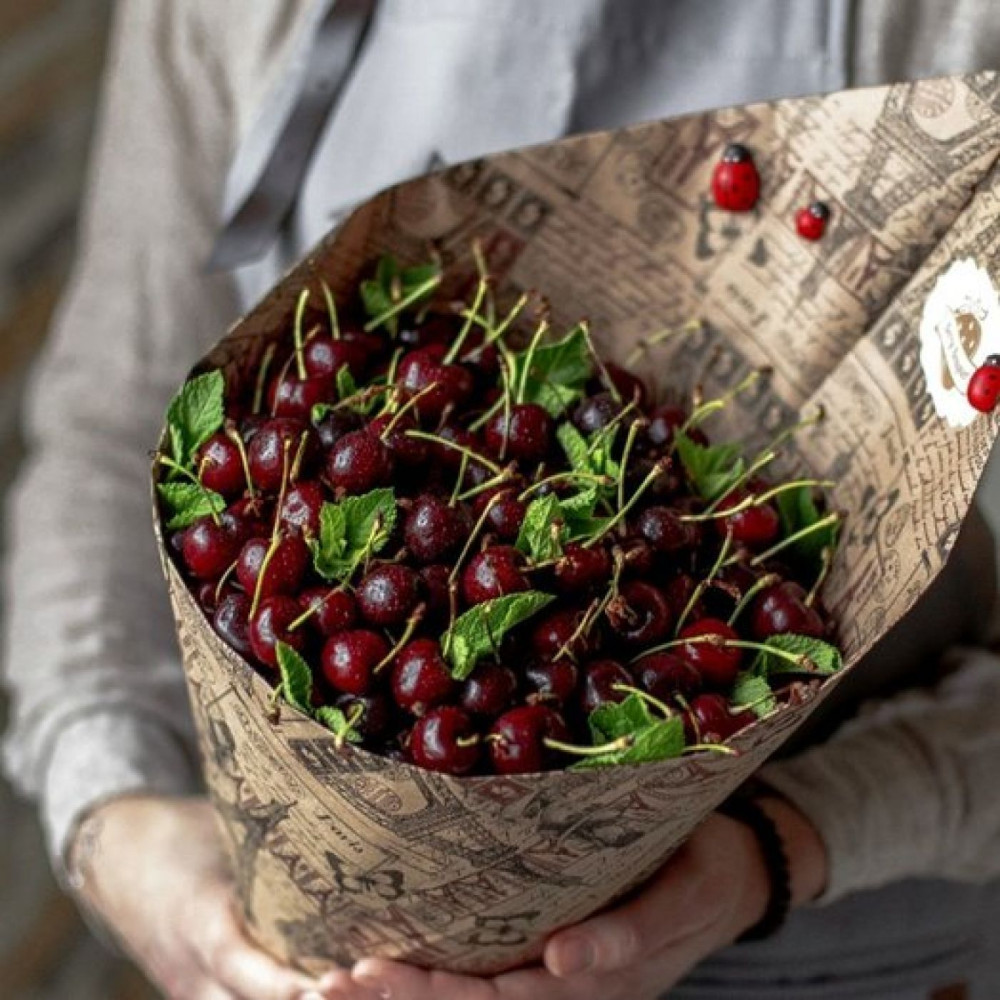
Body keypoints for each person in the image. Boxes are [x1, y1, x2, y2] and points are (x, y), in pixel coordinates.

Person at [4, 2, 1000, 998]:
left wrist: (778, 849)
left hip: (828, 948)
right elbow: (112, 419)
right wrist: (116, 812)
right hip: (322, 956)